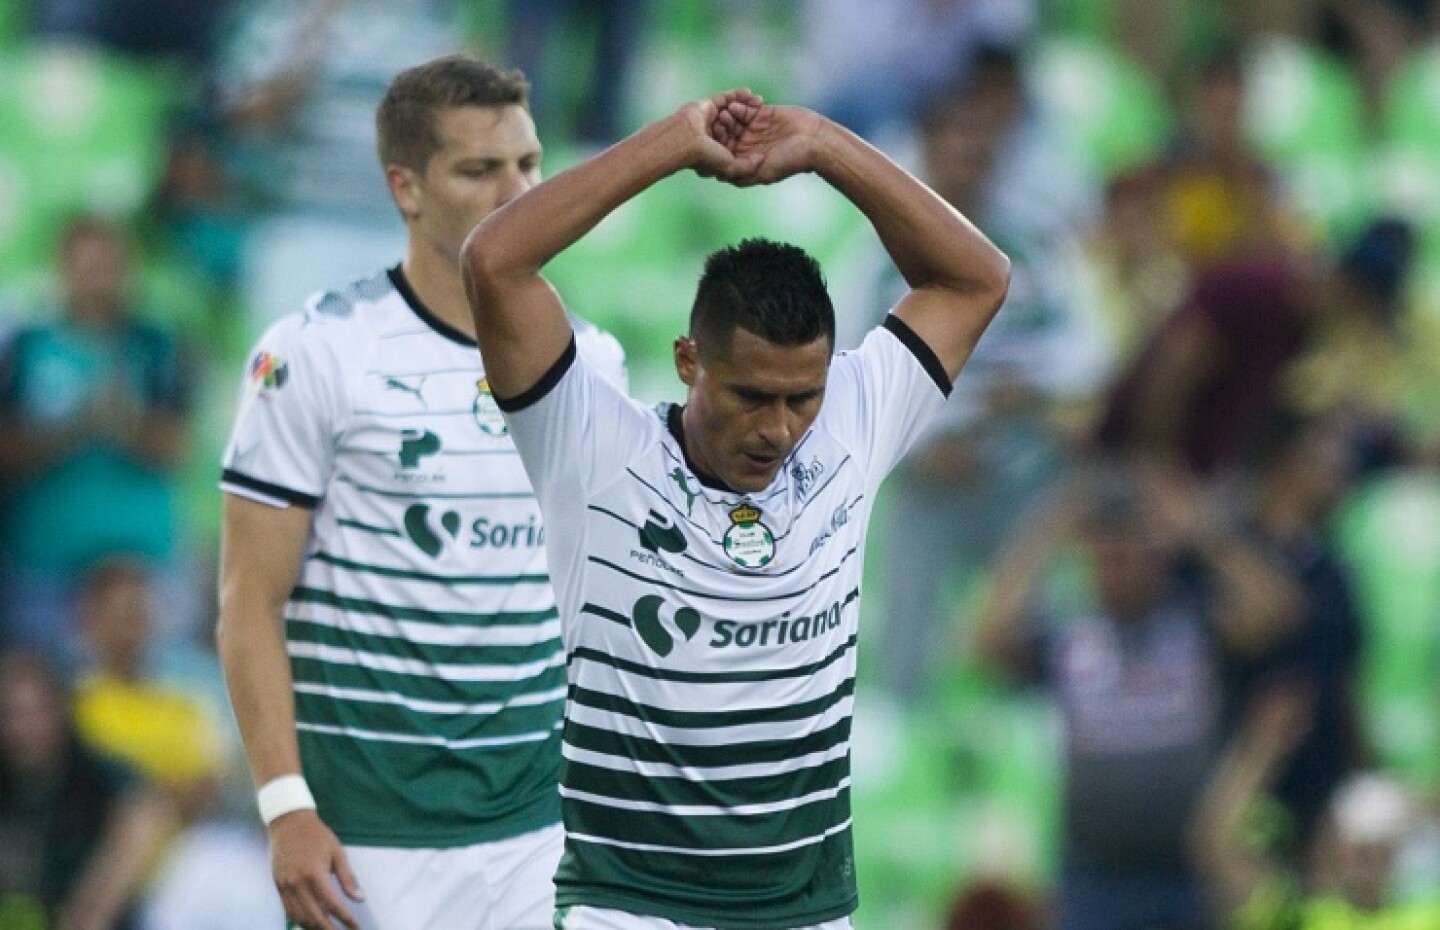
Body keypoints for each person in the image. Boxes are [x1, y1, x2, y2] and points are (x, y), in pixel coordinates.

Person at [463, 88, 1010, 927]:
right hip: (630, 909)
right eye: (752, 396)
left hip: (803, 911)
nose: (779, 429)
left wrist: (825, 143)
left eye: (803, 398)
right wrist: (672, 144)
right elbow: (494, 261)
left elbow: (978, 276)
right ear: (689, 360)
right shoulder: (593, 450)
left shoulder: (850, 431)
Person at [217, 56, 627, 930]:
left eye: (528, 163)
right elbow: (249, 600)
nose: (516, 191)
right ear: (406, 188)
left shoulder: (593, 360)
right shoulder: (315, 352)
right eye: (480, 170)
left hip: (540, 831)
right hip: (371, 841)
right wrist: (285, 806)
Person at [971, 462, 1298, 930]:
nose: (1126, 570)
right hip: (1093, 874)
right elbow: (986, 640)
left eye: (1140, 555)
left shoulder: (1194, 628)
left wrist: (1204, 531)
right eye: (1112, 556)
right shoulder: (1069, 637)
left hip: (1192, 871)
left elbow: (1277, 611)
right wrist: (1048, 529)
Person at [0, 215, 195, 671]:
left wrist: (121, 421)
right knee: (39, 707)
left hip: (140, 573)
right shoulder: (26, 346)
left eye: (106, 266)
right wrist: (75, 426)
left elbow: (175, 448)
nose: (96, 280)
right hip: (43, 570)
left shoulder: (159, 346)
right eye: (84, 267)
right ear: (61, 269)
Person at [1192, 685, 1440, 927]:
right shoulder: (1294, 913)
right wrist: (1263, 748)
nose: (1369, 860)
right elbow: (1217, 847)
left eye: (1380, 847)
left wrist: (1419, 805)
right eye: (1359, 850)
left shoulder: (1426, 915)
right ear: (1326, 848)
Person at [0, 649, 177, 930]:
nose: (24, 727)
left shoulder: (91, 769)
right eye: (11, 714)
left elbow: (150, 811)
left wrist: (88, 912)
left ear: (60, 710)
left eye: (37, 711)